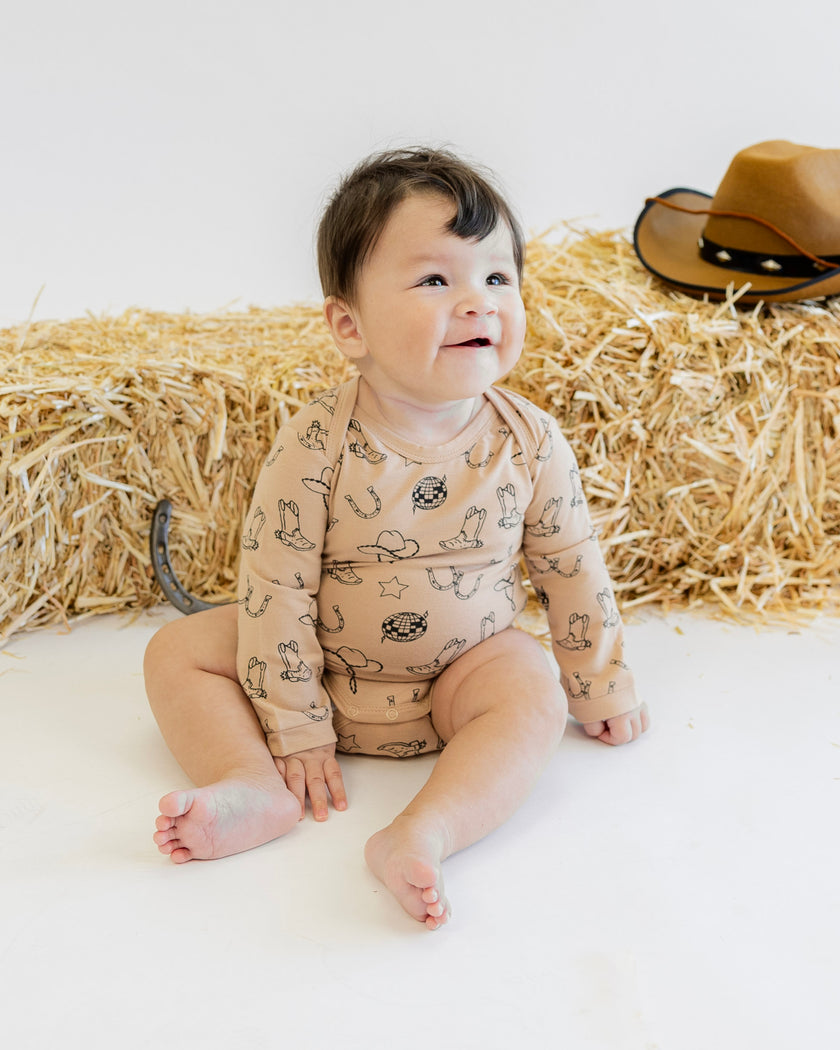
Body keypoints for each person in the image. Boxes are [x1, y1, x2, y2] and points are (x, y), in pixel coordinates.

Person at [144, 147, 650, 930]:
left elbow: (571, 568)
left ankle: (426, 828)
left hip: (457, 682)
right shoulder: (316, 442)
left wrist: (598, 681)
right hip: (323, 672)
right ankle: (252, 783)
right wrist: (295, 722)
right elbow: (275, 585)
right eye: (436, 280)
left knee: (529, 688)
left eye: (497, 277)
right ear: (350, 325)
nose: (478, 302)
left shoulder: (531, 440)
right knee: (178, 652)